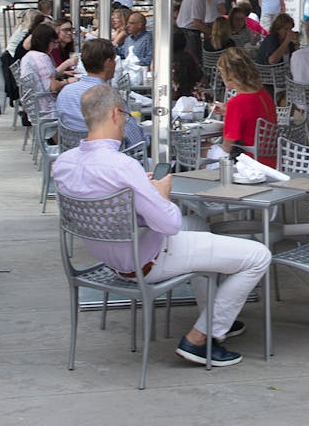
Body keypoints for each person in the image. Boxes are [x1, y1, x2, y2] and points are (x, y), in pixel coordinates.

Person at [53, 83, 270, 367]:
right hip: (147, 260)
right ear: (117, 114)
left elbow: (106, 209)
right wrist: (161, 193)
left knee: (197, 224)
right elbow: (169, 224)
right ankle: (201, 338)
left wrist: (140, 190)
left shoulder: (64, 163)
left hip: (111, 258)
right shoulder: (121, 165)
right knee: (258, 256)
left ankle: (216, 315)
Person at [56, 38, 147, 152]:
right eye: (114, 60)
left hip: (72, 151)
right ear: (108, 63)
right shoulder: (110, 98)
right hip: (108, 158)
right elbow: (136, 141)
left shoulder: (65, 92)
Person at [216, 48, 278, 165]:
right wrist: (229, 111)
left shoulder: (237, 103)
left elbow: (226, 148)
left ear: (229, 75)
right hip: (271, 159)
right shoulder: (263, 93)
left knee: (203, 149)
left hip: (247, 162)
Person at [22, 21, 77, 122]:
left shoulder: (30, 56)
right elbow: (52, 86)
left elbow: (47, 77)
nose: (55, 46)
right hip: (48, 109)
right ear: (46, 41)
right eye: (54, 43)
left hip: (37, 106)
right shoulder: (41, 58)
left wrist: (63, 73)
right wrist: (68, 81)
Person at [177, 0, 225, 64]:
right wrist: (213, 34)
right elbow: (197, 23)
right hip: (189, 33)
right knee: (194, 63)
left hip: (188, 31)